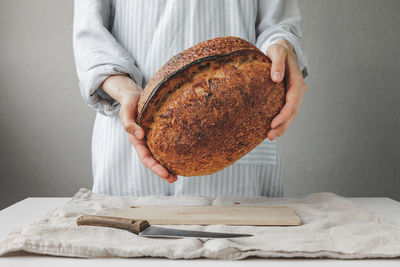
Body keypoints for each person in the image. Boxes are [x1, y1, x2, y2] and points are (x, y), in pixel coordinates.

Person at [73, 0, 308, 198]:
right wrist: (125, 91)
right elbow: (91, 36)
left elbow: (278, 24)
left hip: (237, 138)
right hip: (129, 139)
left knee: (245, 245)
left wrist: (281, 49)